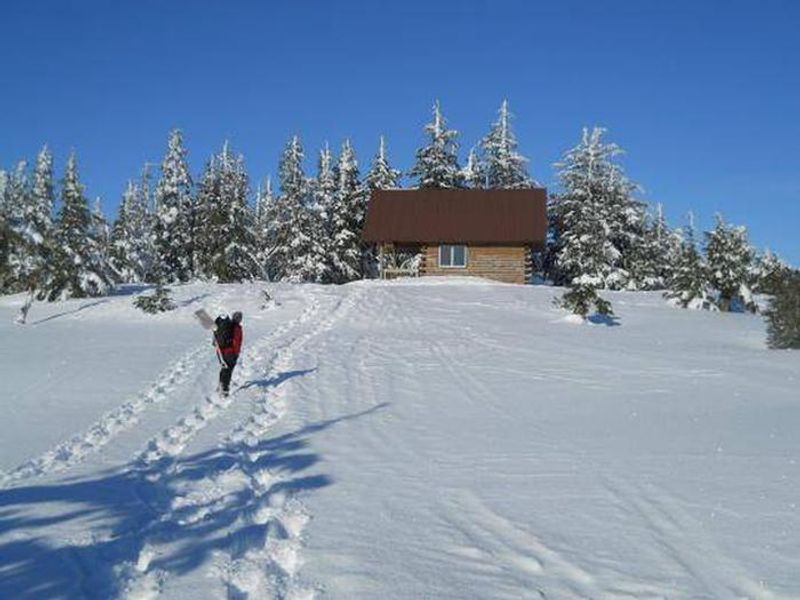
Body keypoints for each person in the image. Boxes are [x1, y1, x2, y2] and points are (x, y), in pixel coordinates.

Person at [215, 311, 243, 396]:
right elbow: (236, 342)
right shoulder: (236, 327)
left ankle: (220, 385)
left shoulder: (227, 326)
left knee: (224, 368)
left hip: (221, 351)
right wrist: (236, 353)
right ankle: (225, 390)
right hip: (231, 352)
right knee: (228, 370)